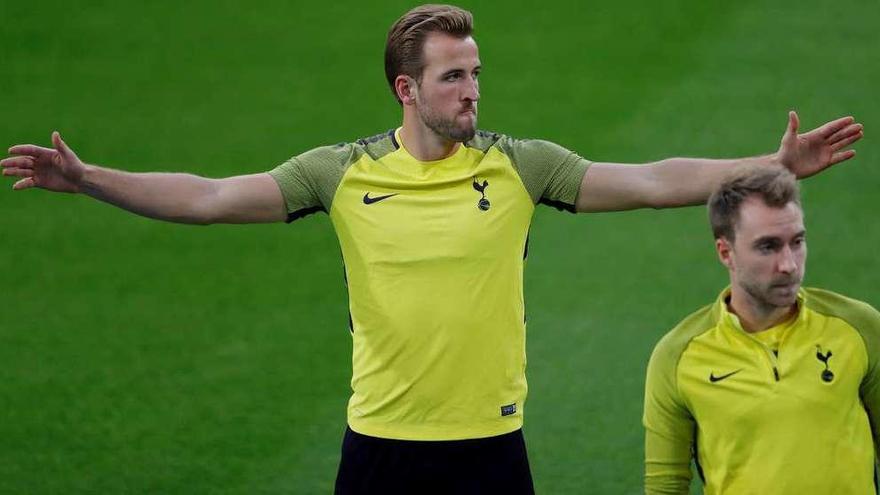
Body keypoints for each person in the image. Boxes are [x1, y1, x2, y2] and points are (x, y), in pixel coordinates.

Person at [1, 4, 865, 494]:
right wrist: (91, 179)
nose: (473, 89)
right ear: (406, 88)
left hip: (492, 448)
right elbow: (211, 196)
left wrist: (770, 163)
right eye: (455, 75)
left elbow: (648, 178)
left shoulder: (521, 166)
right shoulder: (339, 173)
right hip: (376, 448)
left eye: (477, 71)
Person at [642, 165, 879, 494]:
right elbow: (665, 486)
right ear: (726, 252)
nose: (789, 265)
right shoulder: (677, 356)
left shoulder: (859, 327)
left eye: (797, 242)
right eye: (768, 247)